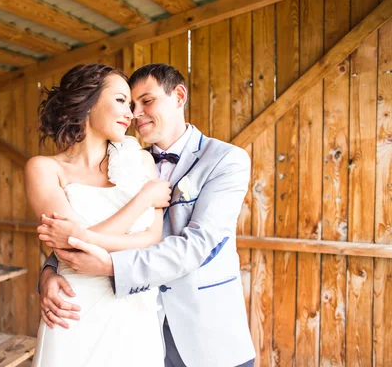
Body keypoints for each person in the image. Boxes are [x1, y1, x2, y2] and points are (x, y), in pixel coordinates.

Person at [38, 63, 256, 367]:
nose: (136, 113)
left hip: (206, 334)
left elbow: (196, 246)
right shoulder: (129, 160)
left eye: (147, 101)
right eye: (130, 103)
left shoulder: (225, 160)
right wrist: (50, 271)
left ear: (178, 96)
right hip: (145, 327)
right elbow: (79, 222)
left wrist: (109, 264)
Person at [25, 63, 173, 367]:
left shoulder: (142, 162)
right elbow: (68, 249)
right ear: (88, 102)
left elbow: (153, 238)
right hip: (74, 310)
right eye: (121, 101)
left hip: (134, 309)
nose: (131, 114)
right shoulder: (44, 168)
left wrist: (84, 237)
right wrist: (143, 198)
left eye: (131, 105)